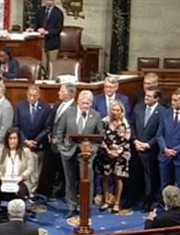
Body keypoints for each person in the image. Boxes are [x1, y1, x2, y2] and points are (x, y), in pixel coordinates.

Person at [54, 90, 103, 219]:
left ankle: (86, 208)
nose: (85, 106)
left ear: (91, 104)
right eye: (83, 103)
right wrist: (60, 147)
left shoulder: (96, 116)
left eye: (88, 103)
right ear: (78, 102)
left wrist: (93, 150)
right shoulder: (68, 113)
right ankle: (71, 207)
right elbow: (59, 132)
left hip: (87, 155)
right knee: (70, 181)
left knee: (87, 181)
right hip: (68, 152)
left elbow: (99, 137)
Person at [94, 100, 131, 214]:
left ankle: (116, 202)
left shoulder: (125, 124)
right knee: (106, 177)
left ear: (121, 111)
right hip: (106, 154)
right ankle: (106, 201)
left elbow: (126, 140)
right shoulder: (104, 121)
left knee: (118, 178)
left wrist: (118, 152)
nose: (115, 112)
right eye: (113, 110)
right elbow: (101, 138)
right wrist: (108, 151)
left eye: (117, 110)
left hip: (120, 155)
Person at [0, 129, 33, 220]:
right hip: (2, 179)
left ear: (18, 139)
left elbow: (30, 168)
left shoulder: (26, 151)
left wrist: (22, 177)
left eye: (15, 138)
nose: (12, 141)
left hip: (19, 180)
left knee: (21, 191)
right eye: (10, 138)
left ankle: (19, 217)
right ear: (7, 139)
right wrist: (0, 176)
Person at [132, 89, 166, 212]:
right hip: (136, 148)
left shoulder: (163, 112)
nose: (146, 98)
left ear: (157, 99)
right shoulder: (138, 107)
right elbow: (132, 125)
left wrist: (148, 144)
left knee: (150, 178)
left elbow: (160, 132)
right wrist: (135, 140)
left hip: (151, 151)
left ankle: (149, 202)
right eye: (146, 95)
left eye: (150, 96)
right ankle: (135, 199)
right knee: (136, 175)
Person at [13, 85, 50, 195]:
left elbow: (47, 127)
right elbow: (16, 126)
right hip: (23, 144)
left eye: (34, 96)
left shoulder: (45, 107)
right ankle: (22, 191)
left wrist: (36, 141)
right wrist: (25, 141)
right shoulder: (20, 106)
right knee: (23, 168)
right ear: (27, 95)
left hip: (38, 144)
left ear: (38, 96)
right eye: (30, 95)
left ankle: (32, 191)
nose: (32, 98)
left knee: (35, 170)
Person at [29, 0, 64, 68]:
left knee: (52, 65)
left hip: (53, 42)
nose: (49, 2)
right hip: (41, 42)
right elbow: (36, 23)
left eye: (51, 0)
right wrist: (33, 29)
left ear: (54, 0)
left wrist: (47, 32)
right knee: (43, 64)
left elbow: (59, 29)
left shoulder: (58, 13)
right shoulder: (40, 10)